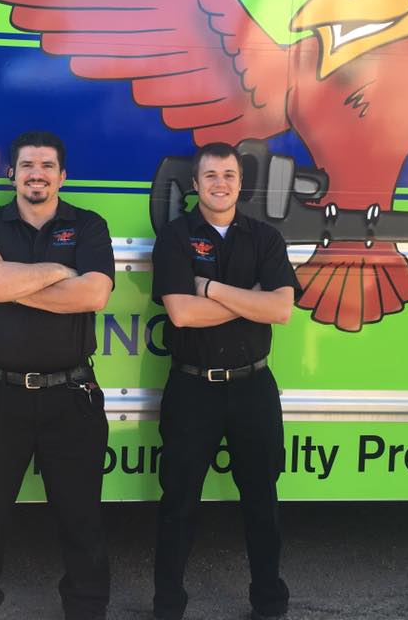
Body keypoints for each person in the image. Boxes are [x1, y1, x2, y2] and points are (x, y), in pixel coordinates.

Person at [0, 130, 115, 620]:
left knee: (81, 521)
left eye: (46, 166)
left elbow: (94, 296)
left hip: (71, 396)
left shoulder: (88, 225)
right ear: (12, 174)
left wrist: (13, 280)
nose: (36, 174)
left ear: (62, 176)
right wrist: (60, 271)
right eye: (27, 166)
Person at [150, 143, 300, 620]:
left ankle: (269, 603)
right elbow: (181, 313)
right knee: (178, 503)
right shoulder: (174, 237)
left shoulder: (265, 238)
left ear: (241, 183)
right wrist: (246, 299)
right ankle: (168, 605)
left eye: (229, 175)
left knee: (262, 501)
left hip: (253, 388)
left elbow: (280, 309)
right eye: (210, 175)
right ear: (195, 184)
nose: (220, 183)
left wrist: (210, 288)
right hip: (192, 388)